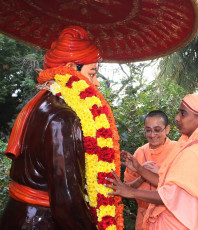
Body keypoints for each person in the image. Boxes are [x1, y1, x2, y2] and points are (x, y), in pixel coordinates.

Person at [0, 26, 123, 230]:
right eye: (92, 73)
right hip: (41, 222)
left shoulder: (42, 105)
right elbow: (66, 201)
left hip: (19, 216)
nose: (97, 82)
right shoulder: (62, 117)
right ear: (70, 68)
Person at [106, 94, 198, 229]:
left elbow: (171, 195)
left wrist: (130, 192)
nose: (177, 118)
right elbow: (168, 186)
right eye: (178, 113)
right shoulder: (197, 147)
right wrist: (139, 169)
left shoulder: (196, 152)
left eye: (183, 113)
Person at [123, 110, 177, 230]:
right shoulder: (139, 152)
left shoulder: (177, 150)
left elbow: (179, 191)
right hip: (143, 217)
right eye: (148, 130)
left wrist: (159, 173)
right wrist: (142, 177)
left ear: (167, 129)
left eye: (157, 130)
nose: (152, 135)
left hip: (170, 218)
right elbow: (127, 188)